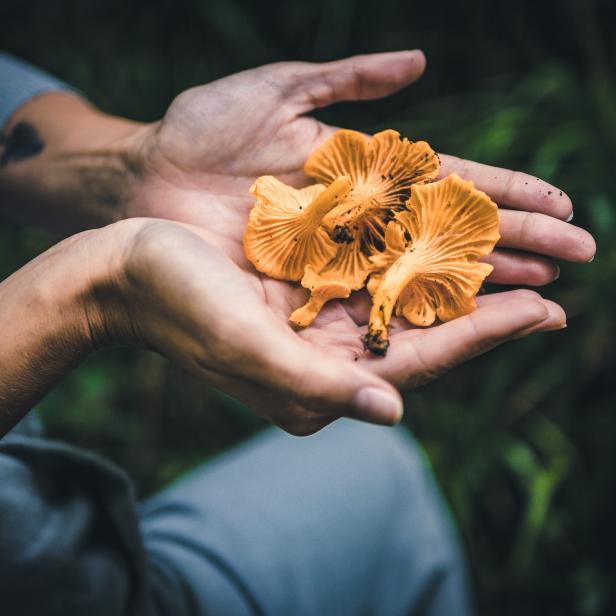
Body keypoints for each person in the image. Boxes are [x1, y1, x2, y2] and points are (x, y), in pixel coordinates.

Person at [0, 49, 595, 615]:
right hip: (59, 591)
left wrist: (130, 164)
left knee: (376, 456)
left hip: (51, 531)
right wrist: (89, 293)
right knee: (383, 474)